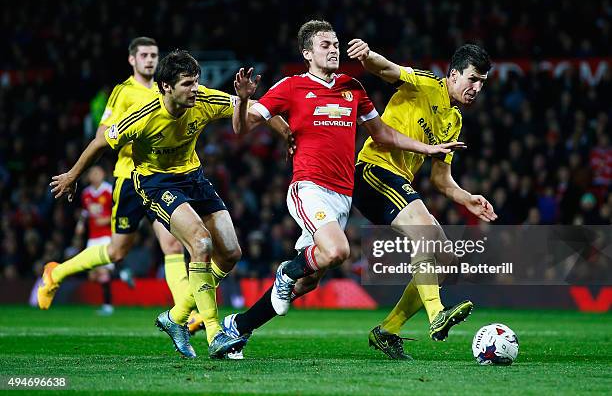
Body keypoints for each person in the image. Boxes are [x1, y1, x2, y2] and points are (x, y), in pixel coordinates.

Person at [222, 20, 462, 358]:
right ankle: (286, 272)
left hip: (341, 196)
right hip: (308, 187)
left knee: (308, 282)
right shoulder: (292, 86)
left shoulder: (353, 88)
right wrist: (244, 100)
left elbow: (382, 134)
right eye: (325, 45)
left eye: (335, 43)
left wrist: (427, 149)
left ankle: (238, 327)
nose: (333, 49)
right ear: (307, 53)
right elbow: (241, 127)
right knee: (337, 252)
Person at [49, 50, 283, 359]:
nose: (194, 89)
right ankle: (214, 334)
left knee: (231, 253)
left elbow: (257, 109)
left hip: (194, 178)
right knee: (200, 243)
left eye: (196, 82)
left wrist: (287, 132)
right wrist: (72, 175)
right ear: (165, 87)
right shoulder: (142, 117)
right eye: (187, 84)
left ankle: (175, 318)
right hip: (155, 183)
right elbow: (100, 143)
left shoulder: (204, 101)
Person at [346, 38, 497, 359]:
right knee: (426, 233)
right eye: (473, 79)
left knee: (448, 263)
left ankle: (388, 330)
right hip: (373, 171)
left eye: (482, 83)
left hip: (399, 183)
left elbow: (441, 179)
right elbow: (386, 69)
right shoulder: (426, 84)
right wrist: (368, 54)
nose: (477, 88)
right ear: (454, 74)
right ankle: (436, 314)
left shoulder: (454, 121)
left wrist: (467, 197)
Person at [37, 37, 192, 320]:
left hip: (160, 180)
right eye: (143, 55)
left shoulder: (166, 90)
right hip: (129, 178)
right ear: (132, 60)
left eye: (154, 55)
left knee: (172, 244)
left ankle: (184, 313)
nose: (149, 60)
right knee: (118, 251)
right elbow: (101, 137)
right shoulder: (123, 93)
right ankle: (56, 272)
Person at [74, 166, 116, 315]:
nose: (95, 175)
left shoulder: (109, 190)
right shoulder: (86, 193)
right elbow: (85, 213)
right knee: (92, 275)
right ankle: (123, 274)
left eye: (97, 172)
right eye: (92, 173)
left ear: (103, 174)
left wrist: (106, 220)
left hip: (106, 236)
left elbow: (117, 212)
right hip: (92, 238)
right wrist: (80, 225)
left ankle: (108, 306)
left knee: (103, 271)